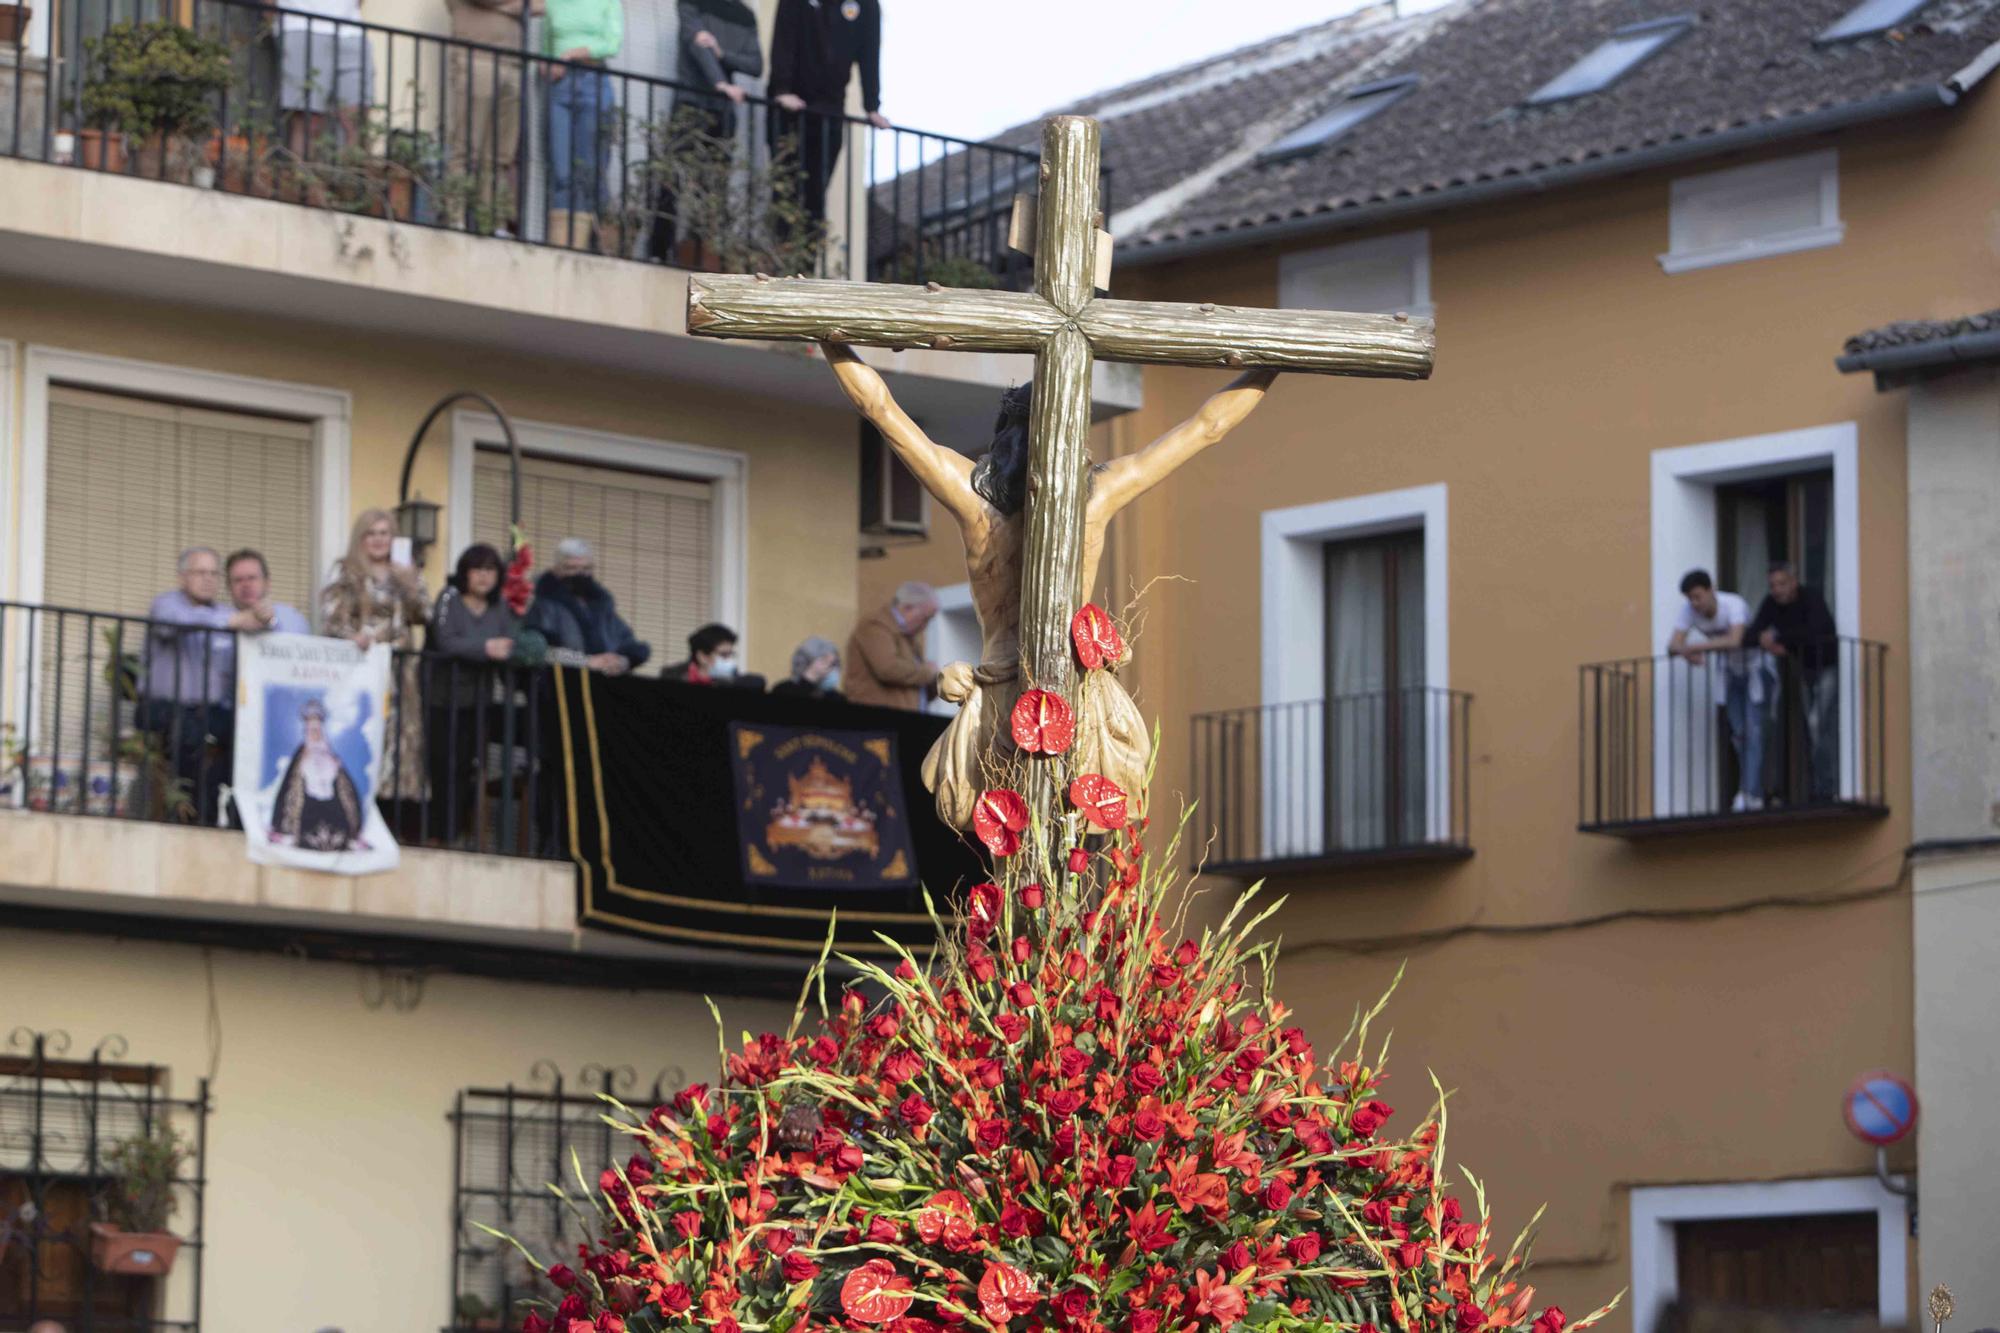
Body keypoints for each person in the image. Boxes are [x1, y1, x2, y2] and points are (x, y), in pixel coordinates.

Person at [822, 345, 1280, 829]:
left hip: (1000, 694)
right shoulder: (1097, 494)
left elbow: (880, 409)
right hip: (1077, 694)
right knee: (1065, 838)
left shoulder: (973, 499)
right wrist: (1274, 363)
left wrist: (829, 337)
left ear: (1003, 439)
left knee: (1012, 839)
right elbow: (1208, 427)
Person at [143, 547, 263, 824]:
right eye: (200, 572)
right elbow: (174, 623)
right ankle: (189, 818)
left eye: (213, 573)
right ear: (183, 576)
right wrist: (232, 622)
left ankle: (234, 818)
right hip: (165, 708)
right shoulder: (167, 604)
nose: (208, 579)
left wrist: (263, 619)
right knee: (189, 734)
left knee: (249, 737)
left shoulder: (225, 611)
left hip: (212, 712)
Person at [320, 509, 431, 804]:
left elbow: (424, 615)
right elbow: (330, 618)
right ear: (361, 538)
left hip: (399, 670)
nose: (379, 540)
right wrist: (352, 636)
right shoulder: (345, 570)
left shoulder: (406, 571)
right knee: (362, 727)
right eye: (372, 533)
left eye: (385, 533)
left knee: (397, 735)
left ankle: (392, 801)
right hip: (360, 666)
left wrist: (408, 583)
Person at [649, 0, 762, 264]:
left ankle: (700, 256)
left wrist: (722, 54)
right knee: (672, 180)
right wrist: (720, 81)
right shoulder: (691, 3)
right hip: (691, 103)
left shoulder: (744, 15)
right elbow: (697, 45)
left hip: (721, 110)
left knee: (712, 187)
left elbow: (756, 66)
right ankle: (659, 251)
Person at [766, 0, 889, 237]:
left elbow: (869, 53)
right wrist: (782, 90)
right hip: (790, 108)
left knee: (815, 194)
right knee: (784, 190)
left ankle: (805, 266)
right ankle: (780, 260)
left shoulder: (866, 5)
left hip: (830, 110)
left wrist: (872, 106)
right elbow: (784, 38)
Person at [426, 543, 521, 841]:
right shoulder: (449, 598)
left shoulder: (501, 607)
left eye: (490, 570)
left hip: (477, 701)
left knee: (468, 769)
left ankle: (457, 833)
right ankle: (438, 834)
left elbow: (510, 642)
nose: (483, 576)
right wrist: (485, 648)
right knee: (441, 766)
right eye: (477, 569)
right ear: (465, 572)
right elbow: (444, 640)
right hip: (441, 698)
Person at [1668, 568, 1764, 813]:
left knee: (1754, 732)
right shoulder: (1689, 611)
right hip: (1729, 672)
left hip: (1757, 669)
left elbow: (1735, 639)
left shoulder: (1733, 604)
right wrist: (1688, 655)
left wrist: (1694, 647)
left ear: (1712, 590)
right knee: (1739, 733)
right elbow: (1673, 644)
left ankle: (1752, 792)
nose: (1695, 603)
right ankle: (1749, 791)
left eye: (1698, 596)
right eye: (1690, 598)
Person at [444, 0, 543, 235]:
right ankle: (456, 219)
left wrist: (513, 6)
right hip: (477, 58)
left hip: (513, 64)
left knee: (500, 156)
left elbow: (543, 6)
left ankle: (494, 222)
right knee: (466, 149)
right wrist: (517, 7)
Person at [1748, 561, 1841, 803]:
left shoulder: (1811, 597)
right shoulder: (1771, 604)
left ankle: (1827, 788)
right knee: (1812, 729)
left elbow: (1816, 630)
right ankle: (1817, 787)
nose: (1777, 590)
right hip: (1803, 669)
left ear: (1794, 582)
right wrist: (1763, 639)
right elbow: (1752, 632)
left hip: (1827, 666)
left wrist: (1778, 638)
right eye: (1772, 585)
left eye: (1782, 583)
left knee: (1816, 724)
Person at [543, 0, 622, 251]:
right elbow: (546, 46)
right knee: (561, 170)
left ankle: (599, 244)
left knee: (590, 170)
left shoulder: (607, 2)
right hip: (561, 87)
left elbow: (612, 44)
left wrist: (570, 54)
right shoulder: (553, 3)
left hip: (593, 81)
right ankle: (565, 244)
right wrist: (545, 65)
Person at [523, 538, 650, 672]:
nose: (580, 573)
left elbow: (629, 644)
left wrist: (621, 661)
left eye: (586, 568)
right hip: (557, 686)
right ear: (556, 570)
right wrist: (585, 662)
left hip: (602, 686)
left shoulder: (602, 608)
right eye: (571, 568)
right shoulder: (542, 605)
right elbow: (536, 649)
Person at [277, 0, 374, 169]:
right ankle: (302, 187)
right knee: (309, 121)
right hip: (300, 24)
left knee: (357, 121)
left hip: (352, 30)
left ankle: (348, 189)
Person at [269, 697, 367, 852]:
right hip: (308, 814)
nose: (314, 735)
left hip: (334, 815)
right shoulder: (299, 761)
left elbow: (348, 795)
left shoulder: (333, 760)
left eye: (317, 730)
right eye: (310, 730)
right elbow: (287, 795)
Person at [845, 581, 937, 710]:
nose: (925, 626)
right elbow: (888, 669)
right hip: (878, 723)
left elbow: (915, 683)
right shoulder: (875, 626)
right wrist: (928, 672)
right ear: (907, 608)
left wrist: (936, 683)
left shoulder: (908, 637)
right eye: (925, 618)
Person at [226, 549, 311, 637]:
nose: (246, 584)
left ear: (267, 582)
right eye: (238, 580)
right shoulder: (220, 616)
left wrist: (270, 622)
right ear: (229, 586)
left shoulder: (293, 618)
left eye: (252, 578)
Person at [661, 622, 742, 683]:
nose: (728, 660)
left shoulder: (734, 681)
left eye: (730, 654)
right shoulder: (671, 677)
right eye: (723, 655)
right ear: (702, 656)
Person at [772, 635, 843, 699]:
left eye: (833, 664)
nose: (828, 667)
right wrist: (810, 677)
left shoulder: (835, 696)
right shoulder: (784, 689)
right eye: (824, 660)